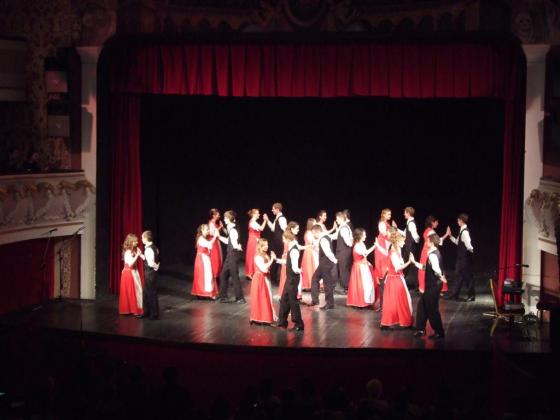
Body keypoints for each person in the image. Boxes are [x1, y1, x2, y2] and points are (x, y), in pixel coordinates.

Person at [410, 233, 446, 339]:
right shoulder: (433, 253)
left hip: (433, 285)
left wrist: (441, 277)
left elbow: (436, 270)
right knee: (422, 306)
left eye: (427, 241)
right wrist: (414, 262)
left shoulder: (433, 255)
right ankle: (421, 329)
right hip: (432, 285)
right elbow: (426, 267)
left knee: (432, 309)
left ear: (431, 242)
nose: (426, 242)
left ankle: (439, 331)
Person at [380, 228, 413, 330]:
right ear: (397, 241)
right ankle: (387, 323)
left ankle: (405, 321)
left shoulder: (398, 250)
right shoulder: (393, 253)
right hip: (394, 280)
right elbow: (398, 268)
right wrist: (409, 262)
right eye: (402, 241)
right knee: (394, 301)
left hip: (398, 278)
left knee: (402, 300)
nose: (404, 243)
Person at [274, 229, 304, 331]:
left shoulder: (294, 250)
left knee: (293, 301)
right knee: (284, 299)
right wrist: (277, 260)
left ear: (287, 238)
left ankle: (299, 324)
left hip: (293, 278)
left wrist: (299, 270)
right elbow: (288, 262)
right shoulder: (291, 248)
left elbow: (294, 267)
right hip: (290, 278)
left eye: (283, 238)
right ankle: (282, 322)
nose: (283, 240)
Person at [446, 213, 475, 302]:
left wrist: (471, 251)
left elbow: (468, 245)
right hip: (461, 258)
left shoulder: (465, 232)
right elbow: (457, 242)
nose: (457, 222)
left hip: (464, 258)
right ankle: (454, 294)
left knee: (467, 276)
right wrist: (450, 236)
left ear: (462, 221)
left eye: (458, 220)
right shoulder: (461, 230)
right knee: (458, 275)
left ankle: (471, 295)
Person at [418, 216, 450, 296]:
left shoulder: (427, 230)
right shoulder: (431, 231)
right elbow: (438, 241)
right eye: (436, 222)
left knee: (425, 269)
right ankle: (436, 288)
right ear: (432, 222)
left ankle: (425, 287)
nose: (437, 223)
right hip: (429, 251)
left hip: (424, 251)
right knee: (434, 268)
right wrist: (447, 234)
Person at [218, 210, 245, 303]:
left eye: (225, 218)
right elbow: (228, 241)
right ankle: (223, 297)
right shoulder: (232, 227)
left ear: (229, 218)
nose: (224, 219)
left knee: (234, 276)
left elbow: (234, 244)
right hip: (230, 255)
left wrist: (238, 247)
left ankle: (240, 298)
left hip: (233, 255)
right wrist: (219, 237)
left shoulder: (233, 230)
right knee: (223, 275)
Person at [309, 224, 338, 309]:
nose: (313, 236)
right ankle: (316, 300)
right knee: (315, 278)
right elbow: (334, 236)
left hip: (325, 263)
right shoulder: (326, 236)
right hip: (324, 263)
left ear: (317, 232)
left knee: (327, 283)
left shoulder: (323, 240)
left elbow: (328, 252)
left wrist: (334, 260)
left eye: (313, 233)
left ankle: (329, 303)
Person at [250, 238, 277, 325]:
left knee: (268, 296)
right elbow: (263, 269)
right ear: (260, 246)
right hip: (259, 279)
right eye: (264, 245)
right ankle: (260, 317)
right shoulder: (258, 256)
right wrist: (272, 260)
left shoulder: (264, 254)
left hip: (265, 278)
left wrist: (274, 259)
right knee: (262, 298)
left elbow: (267, 268)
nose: (266, 246)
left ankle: (267, 316)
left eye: (267, 244)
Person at [347, 228, 376, 308]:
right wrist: (375, 246)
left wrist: (367, 262)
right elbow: (365, 253)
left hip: (363, 266)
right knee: (362, 285)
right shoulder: (357, 246)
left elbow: (364, 256)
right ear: (360, 236)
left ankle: (367, 301)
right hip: (359, 268)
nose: (365, 236)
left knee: (368, 284)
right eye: (364, 235)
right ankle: (361, 302)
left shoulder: (361, 244)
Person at [395, 207, 420, 292]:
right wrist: (396, 228)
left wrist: (416, 241)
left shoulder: (411, 223)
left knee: (412, 265)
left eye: (405, 213)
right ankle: (408, 284)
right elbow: (405, 233)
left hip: (411, 247)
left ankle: (416, 285)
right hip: (409, 246)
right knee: (408, 265)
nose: (404, 214)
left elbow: (415, 236)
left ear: (408, 213)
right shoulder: (409, 222)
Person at [191, 224, 220, 299]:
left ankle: (207, 293)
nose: (208, 231)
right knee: (206, 275)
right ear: (202, 230)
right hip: (202, 259)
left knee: (207, 275)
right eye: (206, 229)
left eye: (208, 229)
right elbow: (209, 244)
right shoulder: (201, 239)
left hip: (205, 258)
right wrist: (215, 236)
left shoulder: (204, 238)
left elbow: (210, 246)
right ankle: (207, 293)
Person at [275, 221, 303, 299]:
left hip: (288, 257)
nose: (298, 230)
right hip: (287, 257)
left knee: (288, 277)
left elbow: (297, 247)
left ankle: (289, 294)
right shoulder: (288, 238)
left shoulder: (292, 238)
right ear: (292, 229)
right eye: (297, 229)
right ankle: (286, 294)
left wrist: (307, 246)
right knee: (287, 276)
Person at [119, 233, 144, 316]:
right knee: (132, 291)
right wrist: (137, 255)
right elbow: (130, 263)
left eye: (137, 241)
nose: (137, 242)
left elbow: (142, 257)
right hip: (129, 273)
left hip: (134, 271)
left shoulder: (134, 249)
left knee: (136, 290)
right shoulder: (128, 252)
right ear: (130, 242)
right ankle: (133, 309)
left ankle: (135, 308)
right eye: (135, 241)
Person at [263, 203, 287, 283]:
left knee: (279, 259)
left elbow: (285, 230)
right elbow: (273, 229)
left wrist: (285, 240)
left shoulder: (282, 218)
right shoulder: (277, 218)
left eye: (273, 209)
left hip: (280, 242)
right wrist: (267, 220)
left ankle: (280, 278)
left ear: (277, 209)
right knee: (275, 258)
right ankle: (274, 277)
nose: (272, 210)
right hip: (276, 242)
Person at [373, 209, 391, 309]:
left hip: (385, 244)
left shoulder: (386, 223)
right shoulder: (381, 224)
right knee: (382, 267)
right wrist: (393, 231)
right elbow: (384, 234)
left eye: (390, 214)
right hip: (381, 245)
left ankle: (386, 302)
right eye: (388, 214)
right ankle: (382, 303)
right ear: (383, 214)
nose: (390, 215)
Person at [140, 230, 160, 319]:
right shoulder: (154, 247)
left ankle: (154, 313)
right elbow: (149, 259)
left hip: (150, 273)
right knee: (146, 292)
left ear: (146, 238)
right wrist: (140, 255)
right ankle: (147, 311)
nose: (141, 239)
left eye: (142, 238)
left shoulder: (148, 249)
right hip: (151, 273)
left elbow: (151, 263)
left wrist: (156, 266)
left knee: (151, 292)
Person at [334, 211, 353, 294]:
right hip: (343, 251)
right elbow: (336, 236)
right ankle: (346, 286)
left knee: (343, 269)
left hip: (344, 251)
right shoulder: (342, 227)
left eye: (337, 219)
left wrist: (350, 243)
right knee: (343, 269)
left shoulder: (344, 228)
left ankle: (347, 287)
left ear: (341, 218)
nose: (336, 220)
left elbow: (349, 242)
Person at [245, 208, 267, 279]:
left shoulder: (253, 221)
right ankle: (250, 273)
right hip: (253, 240)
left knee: (253, 255)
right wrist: (265, 220)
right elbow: (261, 228)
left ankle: (251, 272)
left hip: (254, 240)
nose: (259, 214)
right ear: (254, 214)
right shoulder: (253, 222)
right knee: (253, 255)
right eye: (258, 213)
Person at [300, 218, 318, 291]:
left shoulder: (309, 232)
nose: (316, 224)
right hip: (309, 252)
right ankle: (309, 285)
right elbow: (312, 243)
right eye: (314, 223)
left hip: (309, 251)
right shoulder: (309, 233)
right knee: (309, 268)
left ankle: (311, 284)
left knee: (310, 268)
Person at [208, 208, 224, 280]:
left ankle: (217, 274)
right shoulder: (211, 223)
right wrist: (220, 227)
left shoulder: (214, 223)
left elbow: (216, 232)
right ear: (213, 215)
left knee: (218, 258)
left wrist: (220, 227)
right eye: (218, 215)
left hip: (216, 242)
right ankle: (215, 274)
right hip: (213, 243)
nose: (219, 216)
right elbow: (212, 233)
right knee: (215, 258)